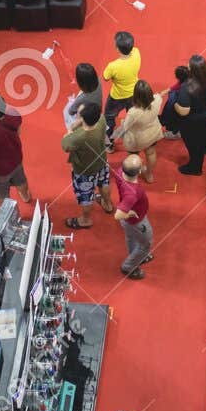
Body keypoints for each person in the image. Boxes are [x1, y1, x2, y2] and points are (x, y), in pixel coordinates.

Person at [0, 92, 33, 216]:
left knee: (1, 195)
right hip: (16, 159)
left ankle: (11, 214)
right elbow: (18, 131)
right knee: (21, 181)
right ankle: (26, 197)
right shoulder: (13, 112)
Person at [58, 101, 111, 229]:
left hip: (85, 171)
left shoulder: (78, 137)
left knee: (86, 196)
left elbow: (65, 144)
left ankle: (85, 220)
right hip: (102, 161)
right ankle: (108, 204)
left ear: (82, 118)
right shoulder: (102, 120)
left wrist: (70, 129)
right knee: (104, 183)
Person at [172, 55, 206, 175]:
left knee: (194, 143)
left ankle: (195, 168)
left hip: (195, 119)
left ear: (192, 70)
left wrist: (175, 105)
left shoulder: (187, 87)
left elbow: (184, 111)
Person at [112, 154, 154, 279]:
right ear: (140, 171)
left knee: (131, 237)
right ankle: (129, 267)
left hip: (129, 222)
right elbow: (118, 215)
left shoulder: (119, 172)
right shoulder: (132, 192)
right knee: (146, 243)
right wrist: (129, 212)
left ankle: (135, 256)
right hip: (136, 221)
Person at [116, 80, 163, 182]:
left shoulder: (133, 112)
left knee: (133, 156)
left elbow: (126, 127)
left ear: (136, 96)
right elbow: (159, 95)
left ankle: (133, 176)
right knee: (151, 153)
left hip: (137, 139)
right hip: (152, 134)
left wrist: (122, 123)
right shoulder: (157, 100)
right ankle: (149, 174)